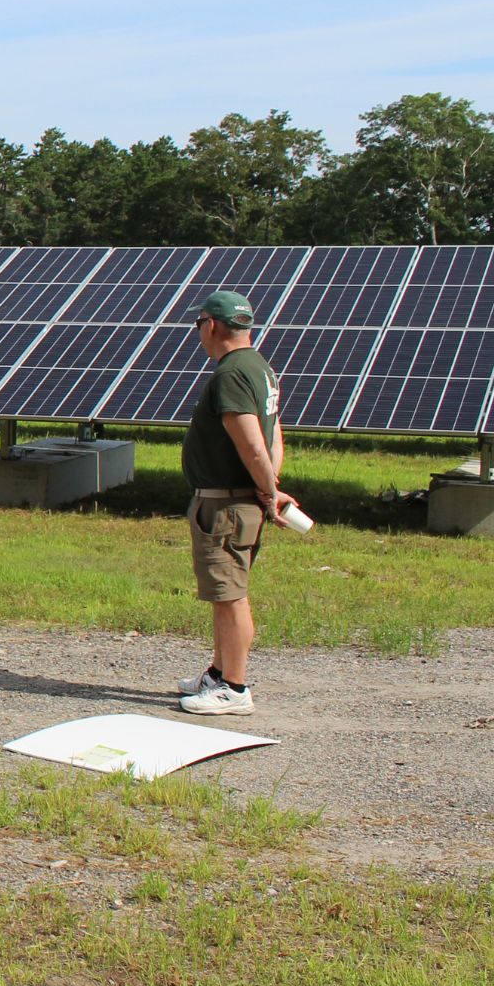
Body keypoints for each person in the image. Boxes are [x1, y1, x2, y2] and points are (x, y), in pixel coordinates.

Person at [177, 290, 296, 716]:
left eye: (198, 326)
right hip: (239, 500)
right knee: (225, 592)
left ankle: (235, 687)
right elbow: (273, 431)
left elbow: (249, 439)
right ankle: (218, 672)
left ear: (211, 325)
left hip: (226, 505)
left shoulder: (230, 374)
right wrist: (269, 484)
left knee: (230, 596)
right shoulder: (260, 368)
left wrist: (268, 488)